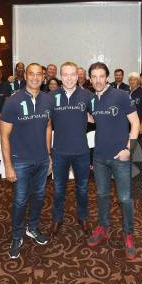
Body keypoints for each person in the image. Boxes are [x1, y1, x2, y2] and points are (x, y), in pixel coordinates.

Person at [86, 62, 139, 260]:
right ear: (90, 79)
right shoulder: (92, 100)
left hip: (121, 157)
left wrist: (129, 149)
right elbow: (93, 119)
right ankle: (103, 227)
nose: (98, 80)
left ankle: (128, 234)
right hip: (99, 157)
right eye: (94, 77)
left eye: (101, 76)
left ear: (107, 77)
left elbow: (135, 123)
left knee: (125, 198)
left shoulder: (121, 96)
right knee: (102, 195)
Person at [1, 63, 53, 259]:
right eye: (31, 74)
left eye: (39, 74)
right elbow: (4, 135)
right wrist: (7, 165)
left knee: (38, 197)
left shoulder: (48, 100)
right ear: (25, 76)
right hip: (20, 161)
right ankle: (17, 235)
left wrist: (48, 155)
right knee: (20, 200)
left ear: (43, 78)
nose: (35, 77)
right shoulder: (13, 102)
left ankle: (33, 228)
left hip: (41, 159)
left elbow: (48, 127)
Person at [49, 62, 94, 235]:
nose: (69, 78)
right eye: (65, 74)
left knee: (82, 188)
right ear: (61, 76)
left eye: (72, 74)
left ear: (77, 76)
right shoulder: (51, 97)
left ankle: (82, 217)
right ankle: (57, 218)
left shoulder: (87, 96)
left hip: (81, 152)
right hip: (59, 151)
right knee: (59, 188)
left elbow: (95, 117)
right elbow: (44, 123)